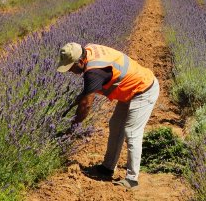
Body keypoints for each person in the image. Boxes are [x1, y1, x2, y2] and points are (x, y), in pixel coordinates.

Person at [57, 42, 159, 190]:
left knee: (132, 132)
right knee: (116, 125)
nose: (71, 71)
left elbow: (86, 105)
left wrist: (72, 128)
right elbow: (88, 92)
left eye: (71, 67)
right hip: (129, 88)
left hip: (143, 89)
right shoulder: (89, 49)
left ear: (80, 61)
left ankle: (132, 180)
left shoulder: (93, 72)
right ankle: (107, 168)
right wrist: (79, 98)